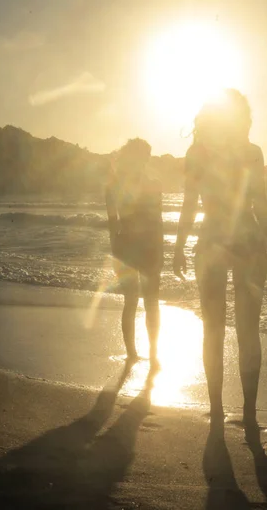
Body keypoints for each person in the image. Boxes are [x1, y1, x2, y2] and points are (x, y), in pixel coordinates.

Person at [173, 89, 267, 443]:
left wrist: (179, 246)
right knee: (246, 331)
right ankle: (248, 417)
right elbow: (260, 204)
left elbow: (191, 205)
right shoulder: (251, 153)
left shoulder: (198, 153)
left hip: (213, 243)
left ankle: (219, 412)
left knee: (214, 331)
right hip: (249, 243)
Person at [105, 138, 163, 369]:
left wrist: (161, 250)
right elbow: (112, 223)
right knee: (132, 301)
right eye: (143, 156)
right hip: (127, 248)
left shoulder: (152, 184)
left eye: (147, 156)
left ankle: (153, 353)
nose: (145, 160)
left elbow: (157, 220)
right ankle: (132, 353)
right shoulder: (114, 187)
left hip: (148, 246)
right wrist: (114, 253)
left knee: (151, 301)